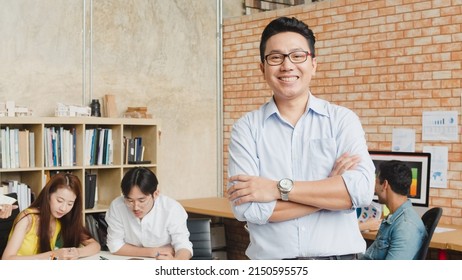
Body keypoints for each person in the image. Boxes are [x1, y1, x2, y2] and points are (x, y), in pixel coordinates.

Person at [227, 16, 376, 260]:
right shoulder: (246, 128)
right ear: (262, 67)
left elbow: (360, 192)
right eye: (276, 57)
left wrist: (276, 188)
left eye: (297, 56)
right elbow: (247, 208)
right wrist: (330, 194)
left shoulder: (342, 120)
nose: (287, 66)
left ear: (313, 63)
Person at [2, 173, 101, 260]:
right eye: (59, 201)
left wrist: (77, 252)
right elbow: (6, 260)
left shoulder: (62, 218)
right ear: (48, 195)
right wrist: (52, 255)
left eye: (70, 204)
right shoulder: (28, 218)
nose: (63, 208)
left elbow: (95, 246)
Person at [105, 167, 192, 260]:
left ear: (155, 194)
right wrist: (154, 251)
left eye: (141, 200)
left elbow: (183, 245)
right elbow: (115, 246)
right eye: (130, 200)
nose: (135, 207)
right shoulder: (117, 206)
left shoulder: (171, 208)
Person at [360, 160, 427, 260]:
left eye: (376, 182)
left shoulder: (405, 227)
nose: (374, 189)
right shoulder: (394, 217)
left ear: (385, 185)